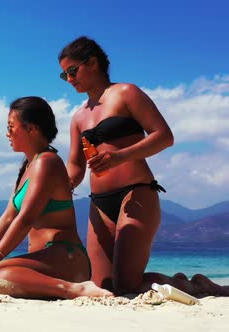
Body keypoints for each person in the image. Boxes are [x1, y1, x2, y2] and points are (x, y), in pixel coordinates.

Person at [58, 36, 228, 296]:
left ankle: (199, 286)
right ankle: (183, 281)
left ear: (92, 63)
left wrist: (120, 157)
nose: (69, 79)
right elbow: (75, 166)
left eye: (72, 71)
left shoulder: (126, 93)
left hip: (136, 193)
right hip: (99, 203)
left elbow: (164, 136)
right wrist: (59, 187)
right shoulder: (78, 116)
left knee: (128, 284)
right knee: (104, 286)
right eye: (64, 75)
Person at [0, 96, 112, 299]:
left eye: (11, 127)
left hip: (66, 258)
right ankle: (60, 286)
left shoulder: (47, 162)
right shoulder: (28, 166)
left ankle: (76, 289)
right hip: (44, 261)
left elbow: (26, 217)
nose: (7, 133)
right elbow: (8, 217)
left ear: (32, 129)